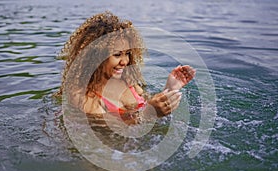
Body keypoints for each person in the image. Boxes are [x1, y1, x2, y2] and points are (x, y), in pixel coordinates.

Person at [56, 11, 196, 125]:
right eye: (117, 55)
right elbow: (104, 131)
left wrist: (171, 89)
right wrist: (148, 114)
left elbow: (149, 104)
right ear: (95, 56)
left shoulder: (127, 81)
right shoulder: (82, 95)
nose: (125, 61)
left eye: (127, 53)